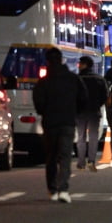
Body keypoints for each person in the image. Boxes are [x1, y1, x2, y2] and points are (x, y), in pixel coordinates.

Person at [32, 47, 87, 202]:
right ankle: (63, 189)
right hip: (68, 122)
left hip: (50, 123)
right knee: (65, 156)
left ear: (48, 62)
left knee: (51, 157)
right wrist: (74, 112)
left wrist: (45, 112)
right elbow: (83, 98)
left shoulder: (43, 82)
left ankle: (52, 189)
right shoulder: (73, 79)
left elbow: (38, 103)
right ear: (62, 60)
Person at [75, 55, 107, 172]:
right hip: (94, 112)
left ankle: (81, 162)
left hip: (80, 112)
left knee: (81, 137)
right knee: (93, 137)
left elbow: (73, 95)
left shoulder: (78, 78)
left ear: (85, 65)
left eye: (80, 63)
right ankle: (91, 161)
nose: (78, 65)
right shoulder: (99, 79)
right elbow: (105, 96)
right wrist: (97, 105)